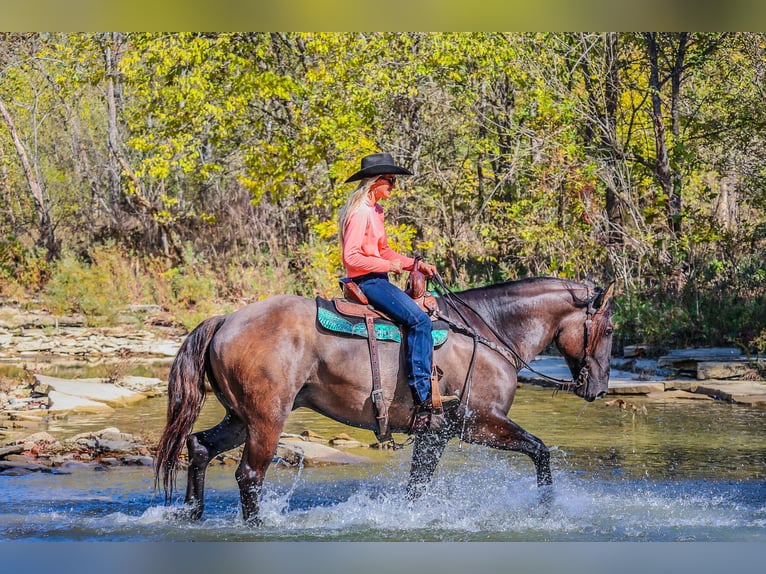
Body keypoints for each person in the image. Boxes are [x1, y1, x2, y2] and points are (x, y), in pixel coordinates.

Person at [339, 152, 455, 428]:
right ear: (374, 182)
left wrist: (414, 264)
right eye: (390, 180)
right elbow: (351, 258)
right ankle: (423, 394)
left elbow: (385, 250)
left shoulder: (376, 211)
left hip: (379, 276)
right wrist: (387, 265)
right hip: (369, 281)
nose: (394, 186)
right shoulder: (361, 213)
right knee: (419, 320)